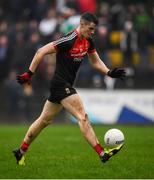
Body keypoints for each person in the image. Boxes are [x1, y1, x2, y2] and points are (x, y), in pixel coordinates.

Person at [13, 12, 126, 166]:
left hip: (63, 85)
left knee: (44, 120)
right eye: (91, 28)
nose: (93, 32)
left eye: (94, 29)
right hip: (61, 85)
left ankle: (21, 151)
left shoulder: (88, 41)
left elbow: (95, 61)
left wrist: (108, 72)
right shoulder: (68, 40)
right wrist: (29, 73)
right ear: (83, 24)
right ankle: (102, 152)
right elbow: (41, 51)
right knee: (82, 116)